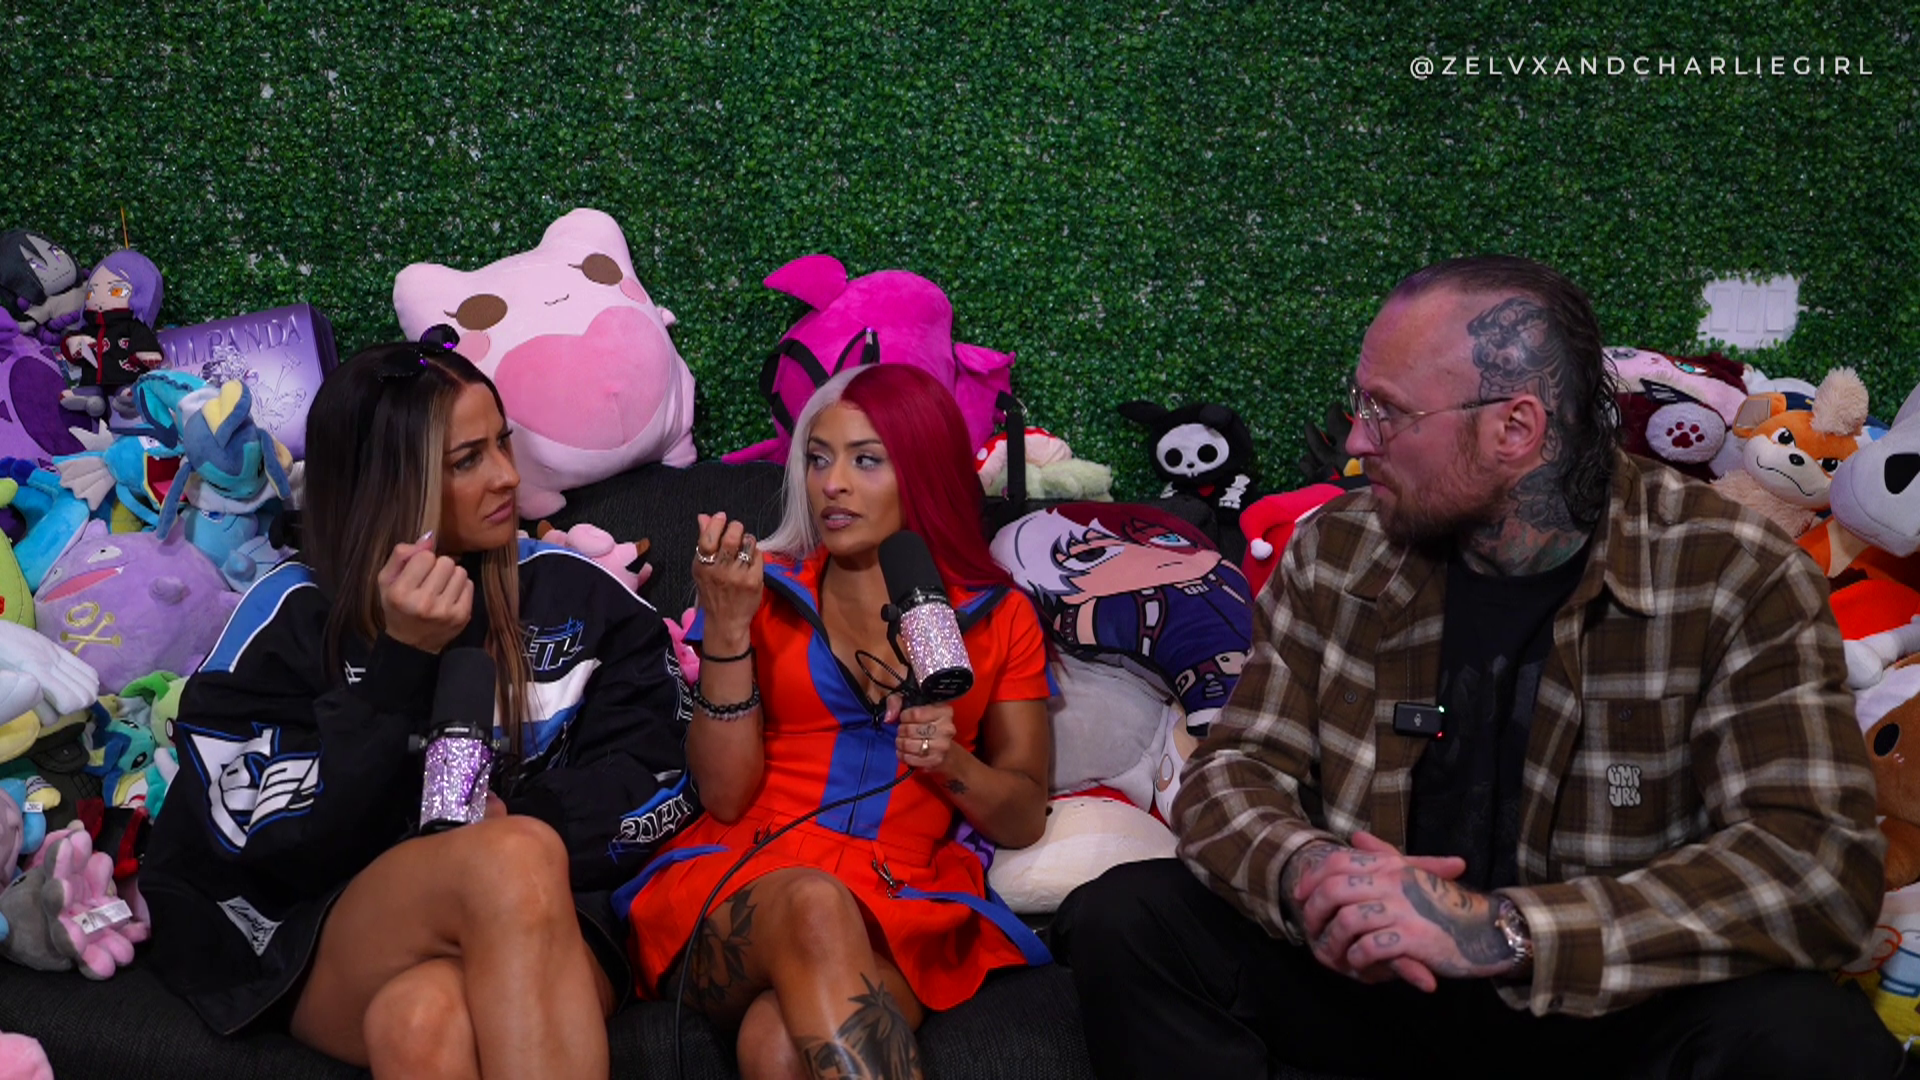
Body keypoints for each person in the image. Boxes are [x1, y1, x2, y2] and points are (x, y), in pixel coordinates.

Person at [1053, 255, 1899, 1079]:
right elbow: (1236, 769)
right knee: (1126, 918)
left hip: (1605, 999)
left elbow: (1817, 866)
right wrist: (1309, 874)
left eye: (1387, 412)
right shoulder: (1338, 549)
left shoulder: (1733, 569)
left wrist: (1503, 930)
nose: (1357, 440)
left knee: (1811, 1037)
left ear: (1515, 429)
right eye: (1361, 404)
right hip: (1373, 982)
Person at [142, 332, 695, 1080]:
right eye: (468, 460)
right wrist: (401, 663)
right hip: (337, 924)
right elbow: (275, 844)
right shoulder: (292, 614)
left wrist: (523, 815)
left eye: (503, 444)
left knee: (424, 1018)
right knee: (510, 856)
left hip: (548, 923)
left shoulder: (573, 593)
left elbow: (663, 772)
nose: (507, 476)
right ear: (385, 482)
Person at [623, 363, 1053, 1079]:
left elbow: (1023, 817)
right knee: (814, 903)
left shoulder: (1001, 617)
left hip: (897, 899)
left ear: (924, 472)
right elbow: (723, 796)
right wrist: (727, 629)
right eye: (819, 459)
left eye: (866, 460)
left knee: (776, 1045)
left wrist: (951, 762)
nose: (832, 484)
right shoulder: (762, 590)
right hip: (739, 881)